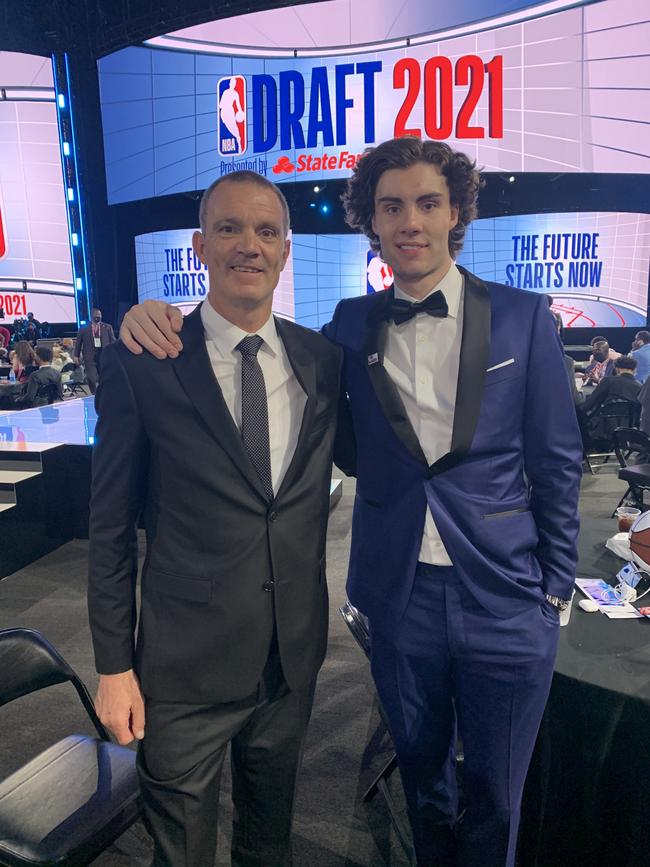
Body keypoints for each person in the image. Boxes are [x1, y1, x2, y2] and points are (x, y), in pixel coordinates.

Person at [120, 138, 583, 867]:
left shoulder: (524, 318)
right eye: (391, 206)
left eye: (428, 202)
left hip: (507, 598)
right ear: (371, 220)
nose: (410, 222)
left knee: (497, 792)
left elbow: (558, 462)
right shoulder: (344, 329)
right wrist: (144, 313)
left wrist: (554, 592)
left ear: (455, 210)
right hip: (399, 602)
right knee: (421, 783)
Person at [87, 170, 344, 867]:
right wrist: (113, 666)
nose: (248, 245)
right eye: (229, 228)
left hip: (288, 662)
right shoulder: (143, 363)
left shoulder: (323, 363)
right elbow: (110, 531)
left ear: (286, 251)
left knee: (269, 844)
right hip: (181, 675)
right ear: (201, 245)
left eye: (266, 231)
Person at [74, 307, 116, 393]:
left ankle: (104, 393)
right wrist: (76, 355)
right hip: (89, 355)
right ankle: (94, 394)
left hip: (104, 355)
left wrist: (115, 353)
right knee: (91, 377)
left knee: (104, 376)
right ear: (91, 317)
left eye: (99, 315)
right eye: (96, 316)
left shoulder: (107, 327)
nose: (98, 317)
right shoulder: (83, 328)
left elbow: (113, 341)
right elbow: (78, 343)